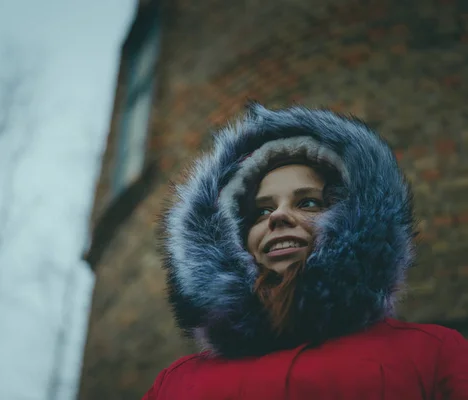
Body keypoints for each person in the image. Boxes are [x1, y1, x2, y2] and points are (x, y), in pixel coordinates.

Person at [143, 104, 468, 399]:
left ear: (356, 220)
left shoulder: (432, 353)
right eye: (261, 211)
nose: (279, 217)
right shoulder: (176, 383)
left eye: (308, 202)